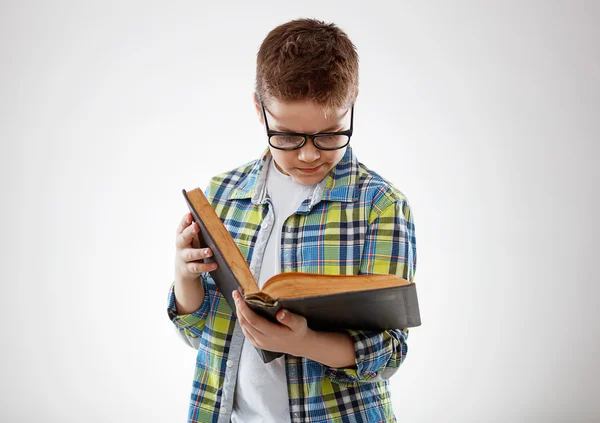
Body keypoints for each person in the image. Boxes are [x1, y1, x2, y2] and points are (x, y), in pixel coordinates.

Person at [167, 18, 417, 423]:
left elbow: (389, 354)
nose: (308, 155)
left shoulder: (380, 205)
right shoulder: (224, 194)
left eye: (330, 134)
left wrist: (307, 342)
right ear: (259, 109)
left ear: (351, 105)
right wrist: (185, 275)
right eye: (286, 136)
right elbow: (198, 334)